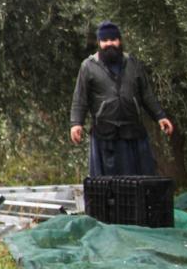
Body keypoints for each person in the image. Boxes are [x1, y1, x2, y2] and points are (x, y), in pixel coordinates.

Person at [70, 21, 173, 177]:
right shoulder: (88, 66)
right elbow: (80, 98)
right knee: (107, 187)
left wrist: (160, 116)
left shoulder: (133, 63)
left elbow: (146, 94)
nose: (109, 44)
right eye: (105, 41)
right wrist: (76, 124)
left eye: (113, 39)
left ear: (120, 41)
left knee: (138, 183)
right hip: (104, 136)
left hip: (133, 134)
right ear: (99, 43)